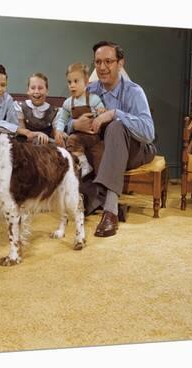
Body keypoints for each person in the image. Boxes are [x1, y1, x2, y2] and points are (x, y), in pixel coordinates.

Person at [75, 41, 156, 237]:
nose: (102, 67)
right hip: (106, 152)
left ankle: (109, 211)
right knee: (90, 140)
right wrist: (76, 125)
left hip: (138, 150)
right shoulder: (90, 91)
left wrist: (114, 113)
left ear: (120, 64)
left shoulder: (134, 92)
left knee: (117, 126)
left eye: (108, 61)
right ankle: (98, 200)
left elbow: (148, 133)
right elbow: (67, 118)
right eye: (98, 62)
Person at [55, 62, 106, 177]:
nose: (72, 85)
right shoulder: (68, 103)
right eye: (69, 82)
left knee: (100, 155)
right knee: (72, 140)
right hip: (78, 137)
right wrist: (59, 131)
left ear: (86, 82)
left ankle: (101, 181)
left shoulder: (93, 99)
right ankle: (83, 164)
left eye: (76, 81)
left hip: (94, 136)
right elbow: (62, 119)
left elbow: (101, 110)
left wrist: (101, 111)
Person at [13, 73, 66, 145]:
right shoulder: (20, 107)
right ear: (28, 91)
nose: (36, 91)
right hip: (26, 145)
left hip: (46, 147)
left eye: (40, 88)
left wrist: (60, 136)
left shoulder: (55, 111)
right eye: (33, 88)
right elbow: (22, 132)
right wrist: (37, 134)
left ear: (47, 91)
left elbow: (56, 134)